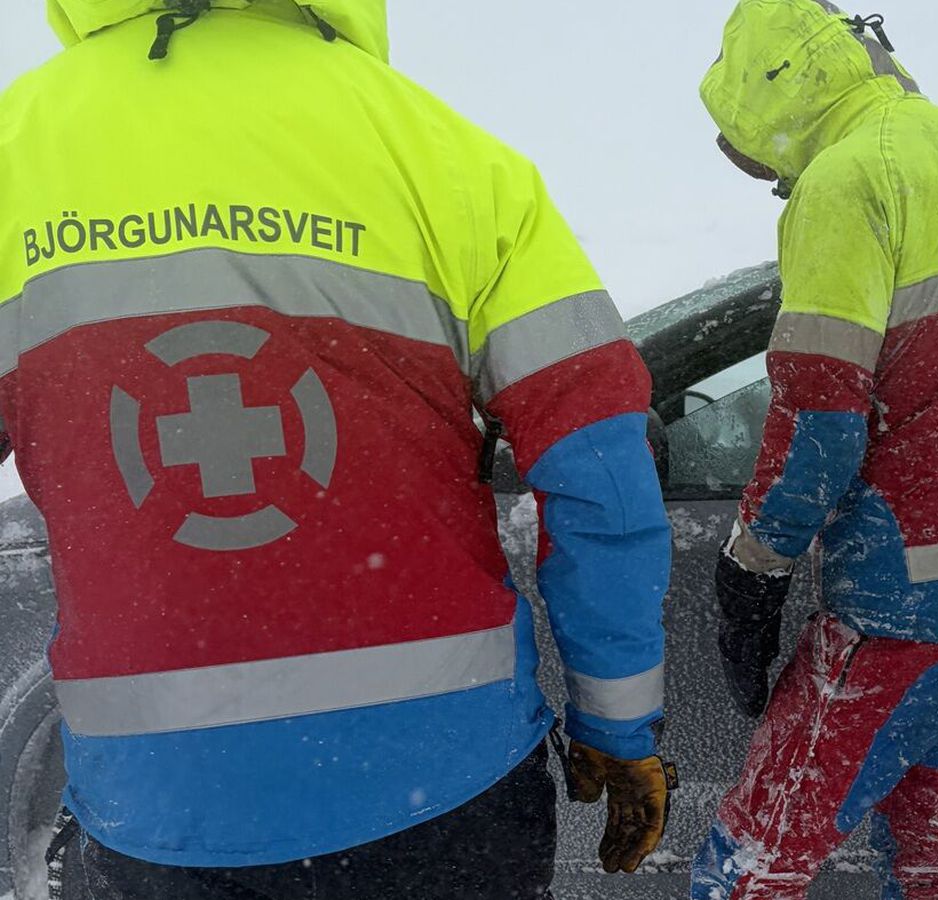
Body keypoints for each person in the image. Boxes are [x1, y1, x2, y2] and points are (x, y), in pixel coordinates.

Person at [0, 2, 674, 897]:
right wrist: (617, 727)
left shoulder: (16, 152)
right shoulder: (447, 156)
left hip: (160, 819)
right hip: (445, 802)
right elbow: (602, 467)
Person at [691, 2, 938, 898]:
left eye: (772, 171)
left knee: (750, 863)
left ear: (777, 110)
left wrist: (753, 571)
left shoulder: (847, 181)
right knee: (931, 853)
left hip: (899, 608)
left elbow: (820, 420)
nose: (780, 187)